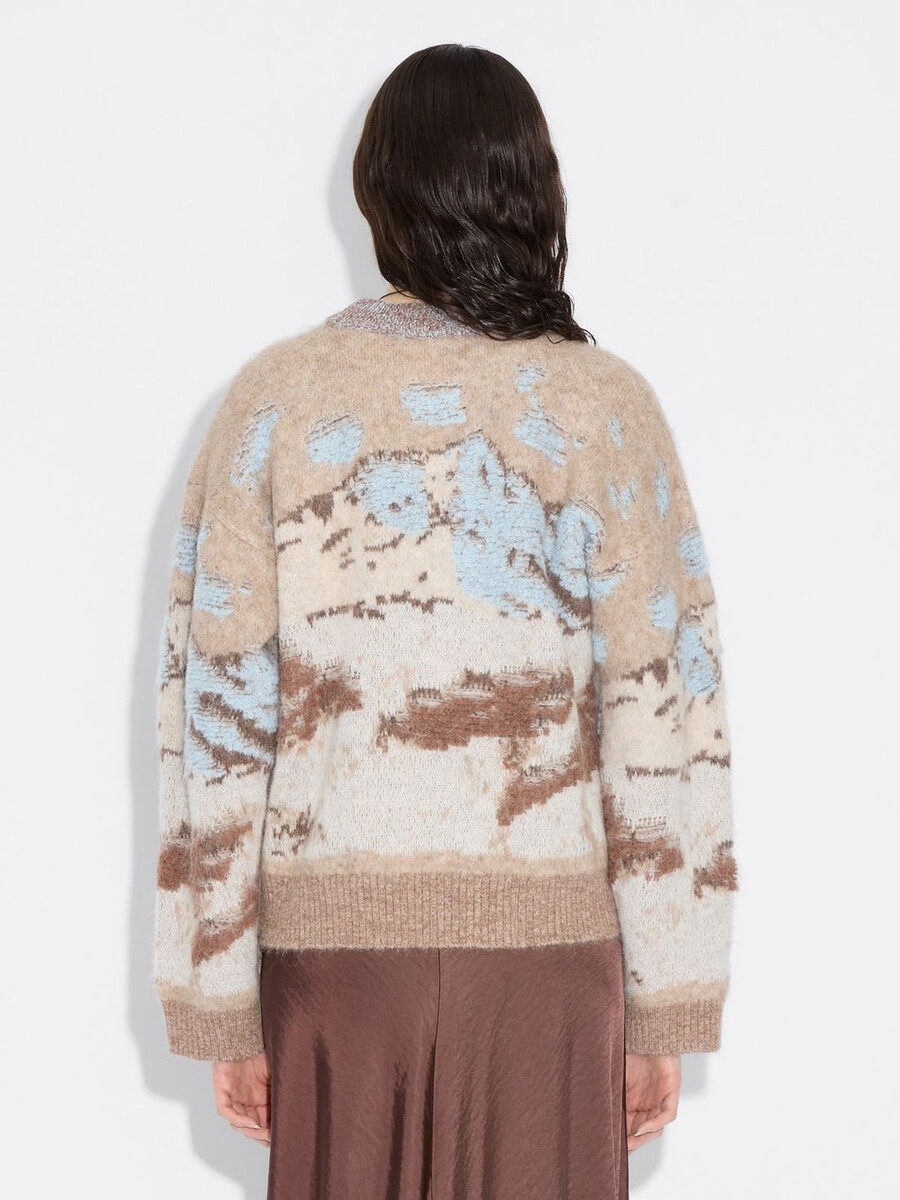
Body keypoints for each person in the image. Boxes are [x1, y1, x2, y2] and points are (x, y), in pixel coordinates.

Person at [152, 42, 736, 1200]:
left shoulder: (272, 404)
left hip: (335, 979)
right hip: (550, 975)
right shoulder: (606, 408)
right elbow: (669, 719)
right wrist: (669, 994)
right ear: (533, 191)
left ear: (379, 192)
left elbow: (212, 717)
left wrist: (219, 1001)